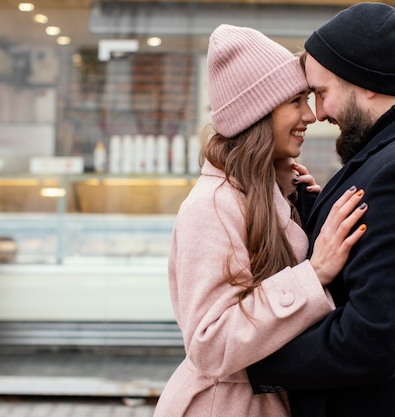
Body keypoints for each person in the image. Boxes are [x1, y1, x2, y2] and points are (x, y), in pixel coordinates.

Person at [247, 3, 395, 417]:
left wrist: (250, 355)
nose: (318, 113)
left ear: (365, 81)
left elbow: (372, 339)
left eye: (321, 92)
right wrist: (312, 209)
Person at [153, 24, 368, 417]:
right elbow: (210, 344)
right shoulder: (212, 206)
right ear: (257, 113)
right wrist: (313, 273)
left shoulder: (269, 192)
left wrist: (301, 210)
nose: (310, 114)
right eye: (295, 101)